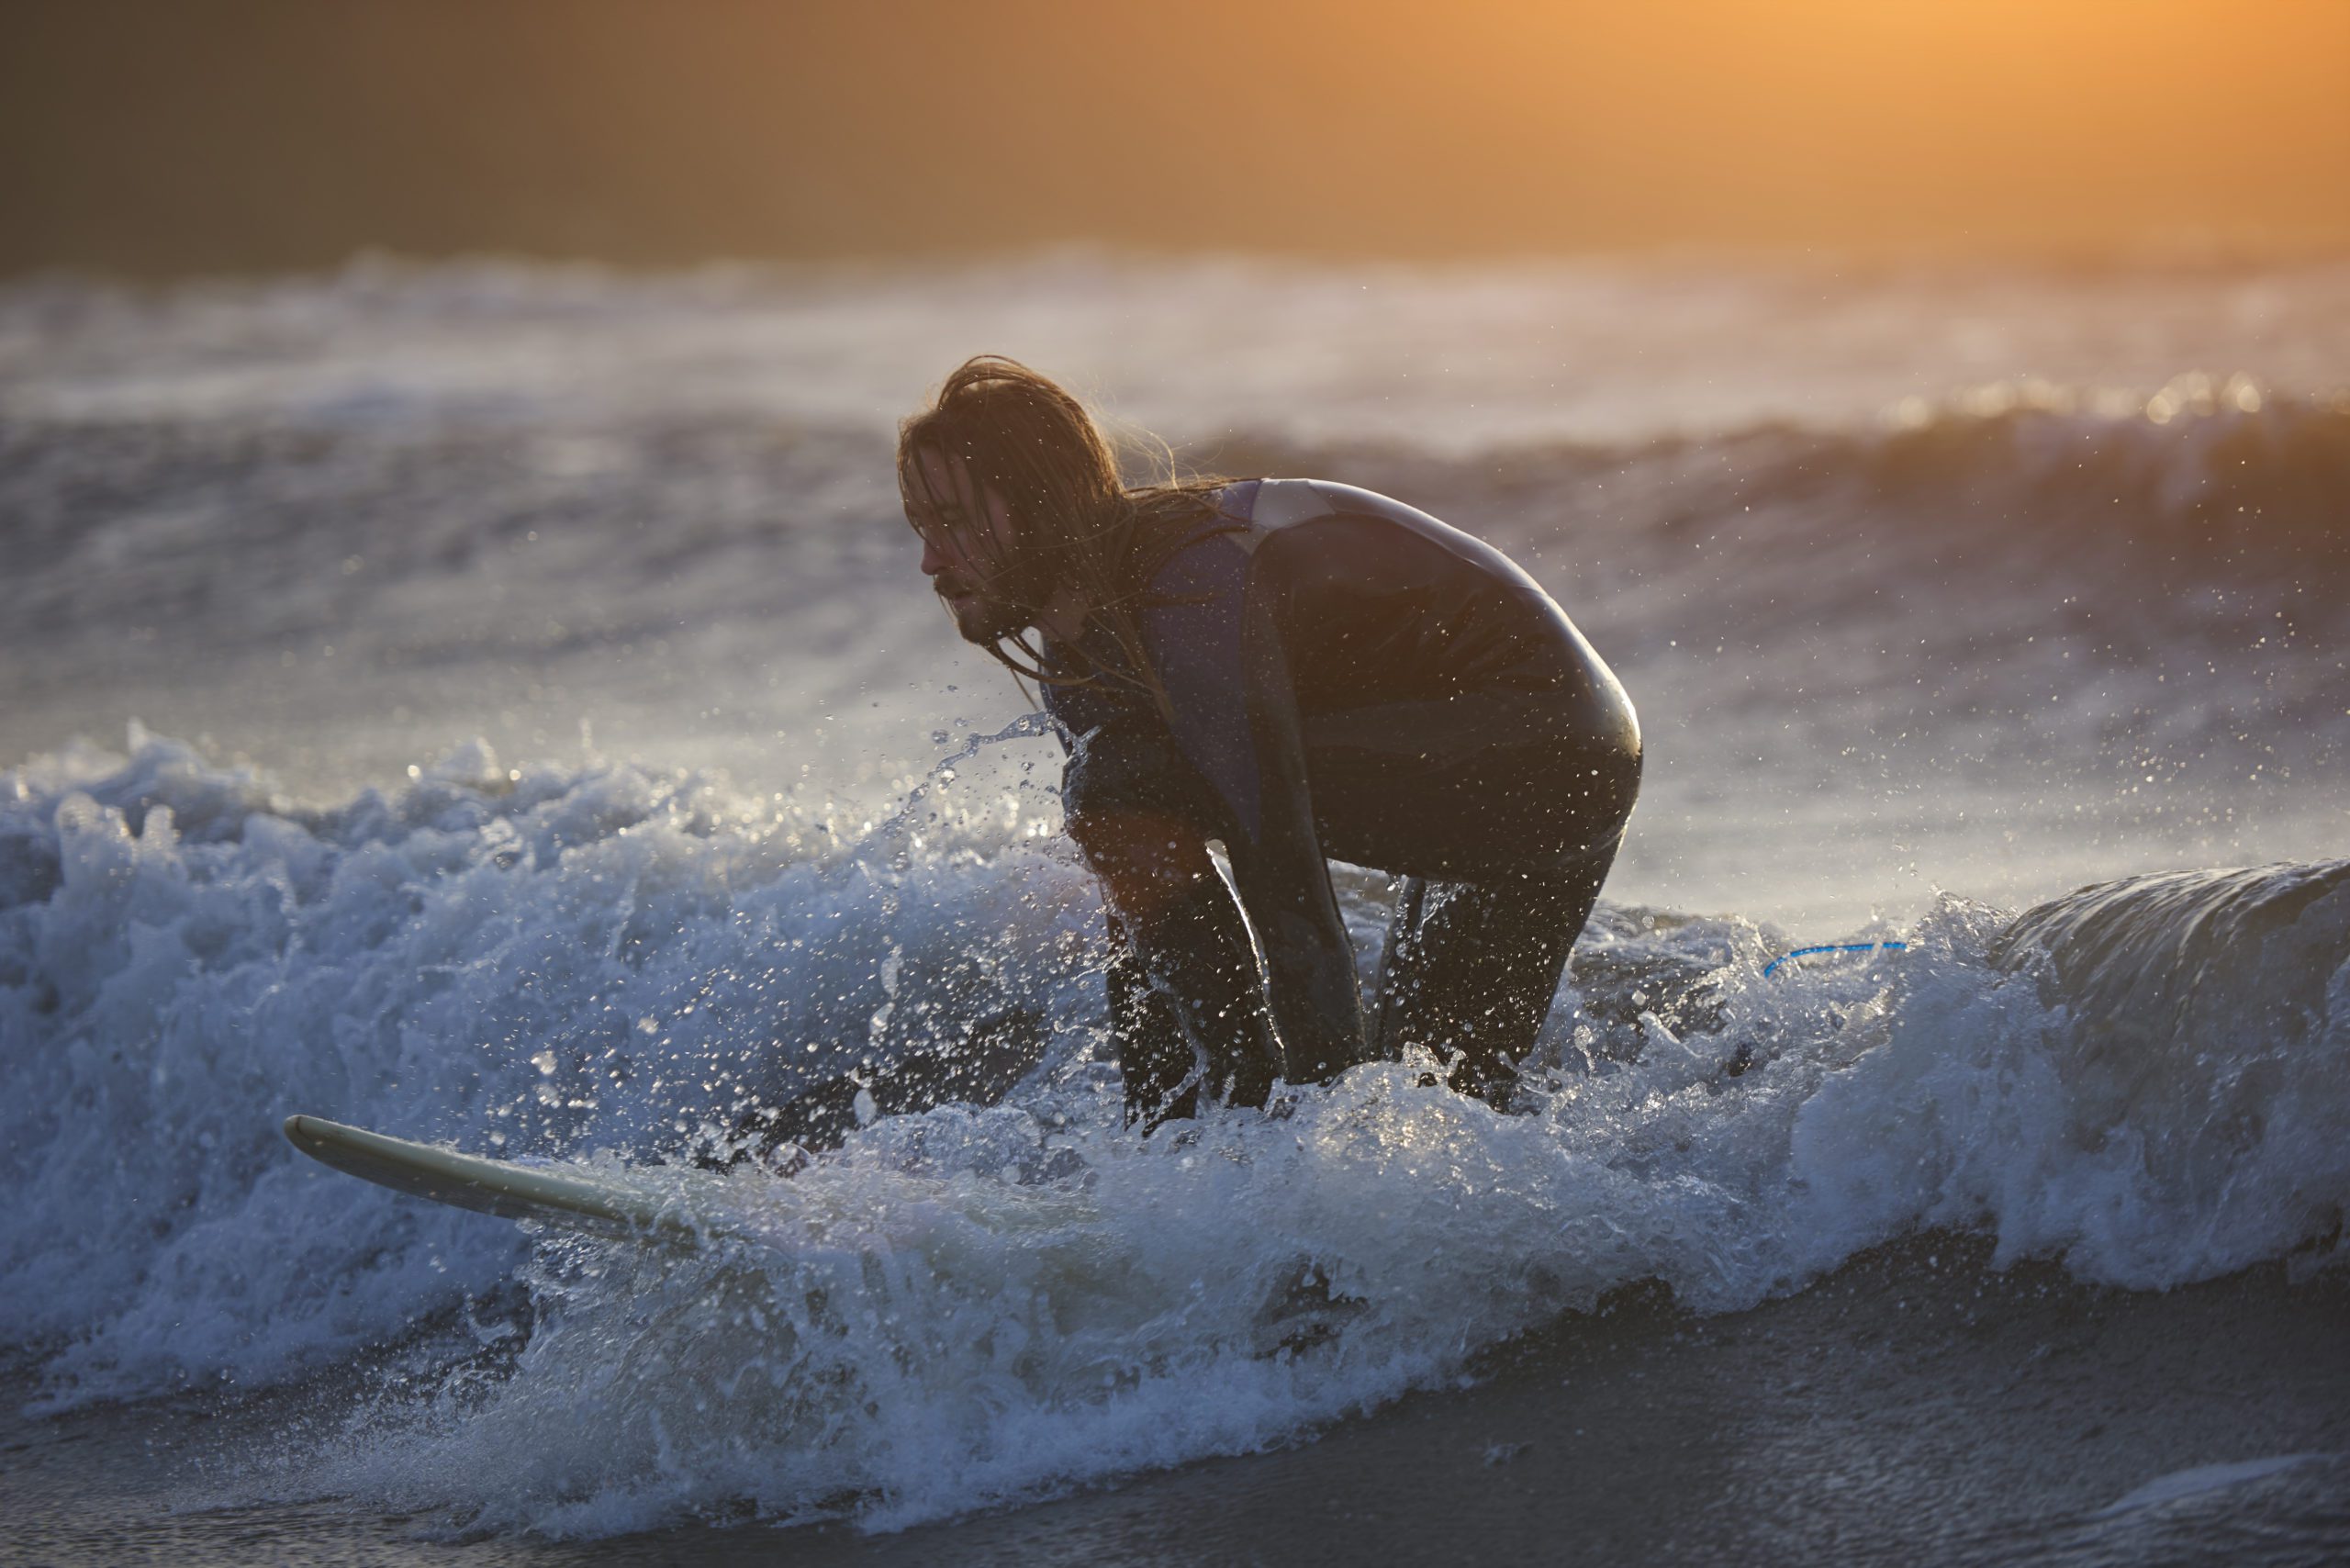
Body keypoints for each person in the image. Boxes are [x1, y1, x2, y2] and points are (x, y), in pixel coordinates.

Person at [900, 356, 1640, 1128]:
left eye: (952, 523)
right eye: (921, 530)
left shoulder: (1195, 598)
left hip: (1542, 743)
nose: (930, 561)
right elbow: (1146, 910)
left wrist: (1302, 1151)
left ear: (1041, 505)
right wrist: (1156, 1127)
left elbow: (1282, 881)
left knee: (1116, 782)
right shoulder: (1084, 645)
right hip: (1566, 763)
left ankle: (1244, 1128)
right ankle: (1194, 1153)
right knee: (1442, 1108)